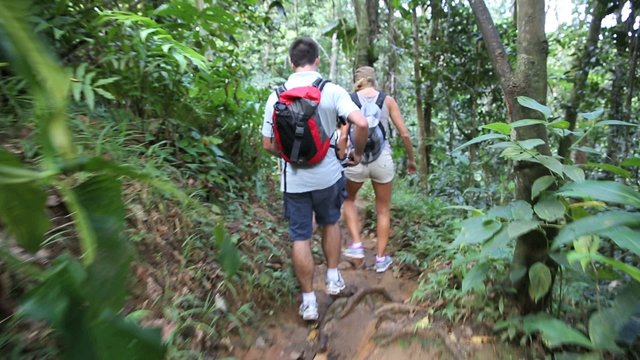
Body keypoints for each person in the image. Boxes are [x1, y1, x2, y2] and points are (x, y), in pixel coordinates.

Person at [261, 37, 368, 321]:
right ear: (317, 60)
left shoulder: (277, 95)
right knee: (330, 223)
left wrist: (291, 157)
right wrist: (355, 154)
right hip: (328, 175)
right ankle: (333, 278)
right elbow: (362, 122)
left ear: (291, 62)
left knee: (300, 236)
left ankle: (309, 301)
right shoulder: (331, 90)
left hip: (293, 181)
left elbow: (267, 144)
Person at [339, 66, 417, 273]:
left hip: (356, 159)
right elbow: (405, 134)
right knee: (383, 209)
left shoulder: (349, 100)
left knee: (348, 200)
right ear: (374, 80)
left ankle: (356, 245)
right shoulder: (387, 100)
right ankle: (381, 259)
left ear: (358, 80)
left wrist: (341, 155)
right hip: (382, 159)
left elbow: (344, 135)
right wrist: (411, 160)